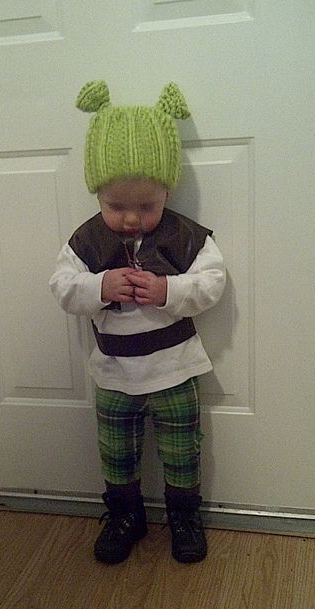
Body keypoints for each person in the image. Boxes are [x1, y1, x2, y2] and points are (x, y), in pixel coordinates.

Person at [49, 80, 226, 564]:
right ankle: (126, 514)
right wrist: (97, 289)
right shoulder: (86, 240)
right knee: (116, 450)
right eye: (116, 207)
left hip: (176, 369)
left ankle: (184, 515)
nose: (131, 219)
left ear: (167, 191)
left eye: (146, 207)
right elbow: (61, 285)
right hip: (113, 374)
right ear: (98, 195)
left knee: (181, 449)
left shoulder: (184, 235)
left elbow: (213, 282)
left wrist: (171, 291)